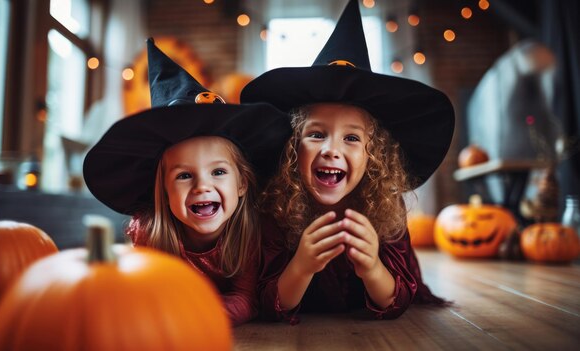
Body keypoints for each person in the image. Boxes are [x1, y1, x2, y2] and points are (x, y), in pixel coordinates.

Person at [240, 0, 455, 322]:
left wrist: (371, 266)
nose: (331, 149)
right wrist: (301, 266)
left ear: (375, 154)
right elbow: (267, 302)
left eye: (352, 138)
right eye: (316, 135)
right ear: (291, 148)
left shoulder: (385, 207)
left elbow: (396, 298)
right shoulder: (274, 207)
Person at [83, 38, 292, 326]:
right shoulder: (150, 233)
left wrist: (189, 313)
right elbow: (145, 293)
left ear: (242, 183)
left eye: (218, 172)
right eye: (184, 176)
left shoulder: (251, 231)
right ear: (164, 190)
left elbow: (245, 300)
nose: (202, 187)